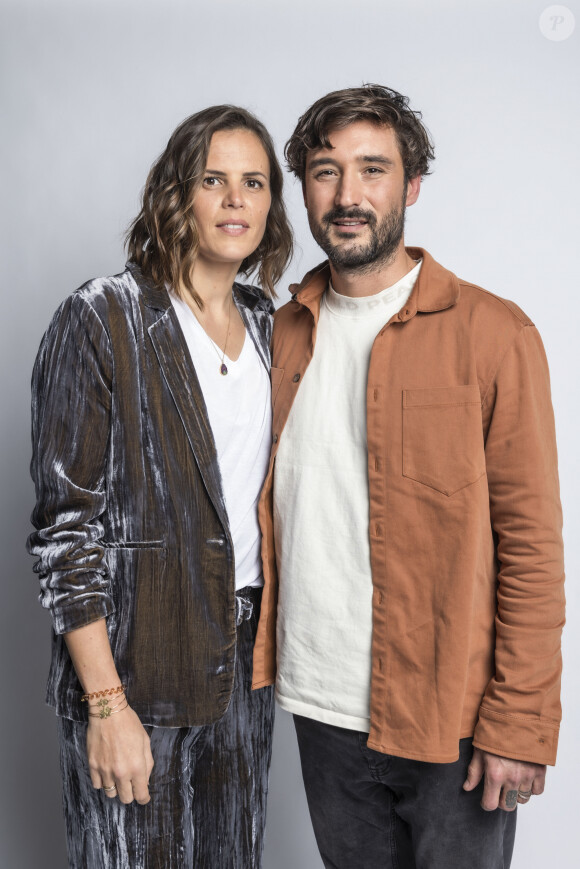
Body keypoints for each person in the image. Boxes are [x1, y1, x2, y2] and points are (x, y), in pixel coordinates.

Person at [251, 84, 565, 868]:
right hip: (319, 706)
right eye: (326, 171)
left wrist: (519, 722)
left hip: (450, 715)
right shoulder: (277, 332)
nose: (349, 195)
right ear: (304, 188)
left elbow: (531, 543)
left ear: (412, 186)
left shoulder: (493, 333)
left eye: (373, 169)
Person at [27, 104, 293, 868]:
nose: (236, 199)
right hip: (137, 659)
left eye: (254, 182)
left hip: (247, 661)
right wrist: (106, 705)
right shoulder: (101, 316)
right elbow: (64, 530)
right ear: (179, 193)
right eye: (215, 180)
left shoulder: (268, 320)